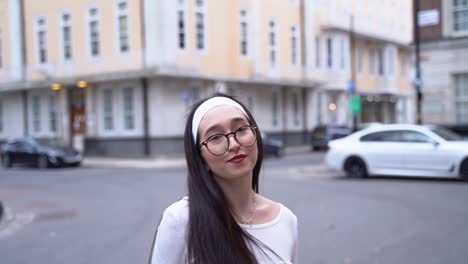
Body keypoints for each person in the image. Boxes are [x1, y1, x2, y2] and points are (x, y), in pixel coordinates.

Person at [149, 93, 298, 264]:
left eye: (241, 129)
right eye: (215, 137)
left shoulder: (286, 220)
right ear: (200, 157)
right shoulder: (181, 220)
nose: (234, 144)